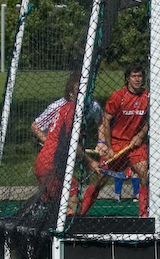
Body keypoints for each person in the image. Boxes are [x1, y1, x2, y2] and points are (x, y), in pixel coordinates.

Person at [79, 63, 150, 218]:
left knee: (144, 174)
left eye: (140, 76)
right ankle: (81, 213)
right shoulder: (118, 96)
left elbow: (149, 121)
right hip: (117, 142)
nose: (137, 79)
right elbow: (105, 120)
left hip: (136, 145)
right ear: (127, 79)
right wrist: (109, 147)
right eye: (134, 76)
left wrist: (141, 135)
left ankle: (144, 216)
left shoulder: (147, 96)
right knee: (101, 178)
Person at [32, 73, 100, 214]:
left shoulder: (69, 109)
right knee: (73, 206)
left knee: (53, 208)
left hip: (47, 164)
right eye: (78, 92)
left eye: (85, 91)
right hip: (51, 166)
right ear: (70, 94)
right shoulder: (70, 110)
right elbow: (72, 143)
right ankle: (63, 235)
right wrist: (90, 162)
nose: (83, 95)